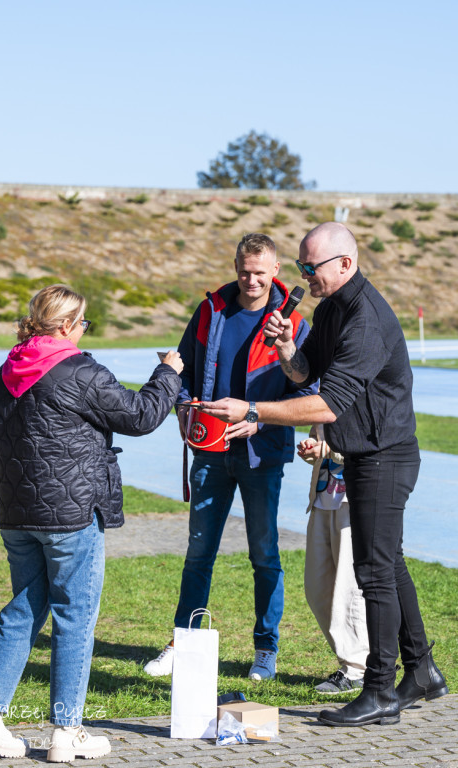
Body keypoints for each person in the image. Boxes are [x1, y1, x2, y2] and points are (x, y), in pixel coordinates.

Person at [198, 222, 448, 725]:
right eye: (301, 267)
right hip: (364, 454)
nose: (305, 276)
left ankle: (379, 691)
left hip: (386, 456)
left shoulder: (365, 320)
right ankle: (421, 671)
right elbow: (305, 375)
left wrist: (253, 410)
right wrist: (289, 348)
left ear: (345, 264)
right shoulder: (332, 307)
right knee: (388, 563)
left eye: (311, 267)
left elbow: (327, 405)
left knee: (373, 572)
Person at [0, 284, 183, 761]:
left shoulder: (2, 375)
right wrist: (167, 372)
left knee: (23, 611)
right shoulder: (79, 371)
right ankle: (67, 730)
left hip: (17, 513)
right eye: (82, 323)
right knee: (75, 618)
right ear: (64, 325)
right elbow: (141, 416)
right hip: (70, 516)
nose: (84, 332)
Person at [143, 232, 317, 681]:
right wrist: (183, 407)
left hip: (263, 453)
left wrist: (260, 420)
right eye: (244, 271)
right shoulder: (210, 310)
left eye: (260, 273)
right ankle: (183, 641)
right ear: (235, 266)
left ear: (276, 270)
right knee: (199, 553)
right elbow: (181, 367)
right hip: (210, 452)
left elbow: (309, 391)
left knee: (264, 555)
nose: (251, 280)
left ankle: (265, 649)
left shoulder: (294, 324)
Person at [298, 424, 369, 694]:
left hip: (352, 503)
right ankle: (351, 660)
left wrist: (325, 449)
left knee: (348, 590)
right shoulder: (323, 395)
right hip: (321, 499)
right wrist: (310, 449)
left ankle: (357, 668)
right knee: (317, 590)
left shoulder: (358, 392)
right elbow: (320, 441)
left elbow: (363, 447)